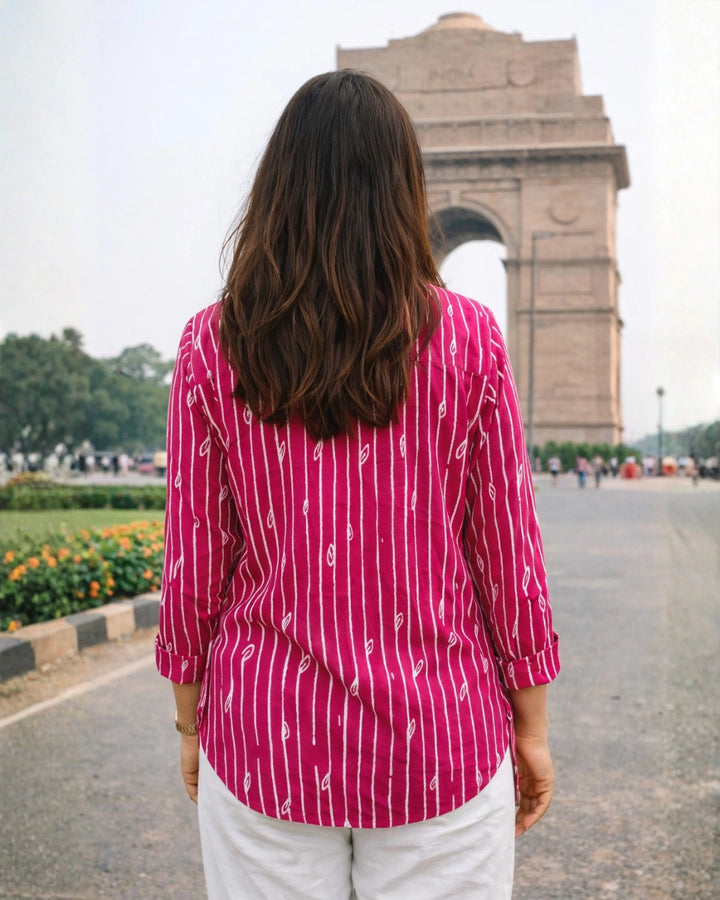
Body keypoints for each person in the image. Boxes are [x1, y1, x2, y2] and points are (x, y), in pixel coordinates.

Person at [156, 69, 560, 899]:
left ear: (277, 188)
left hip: (263, 732)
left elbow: (193, 557)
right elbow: (508, 552)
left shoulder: (209, 344)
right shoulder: (473, 340)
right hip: (440, 736)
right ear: (405, 189)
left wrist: (191, 719)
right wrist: (533, 727)